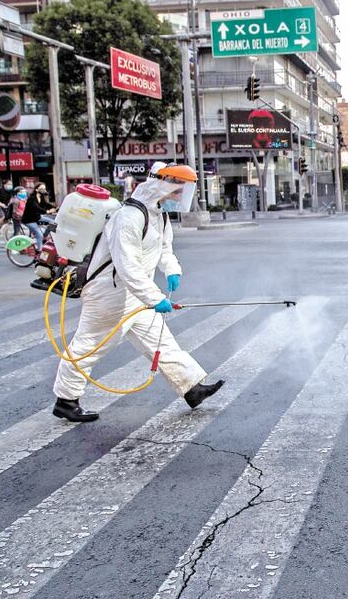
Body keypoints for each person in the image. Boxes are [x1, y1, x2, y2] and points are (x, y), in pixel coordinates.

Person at [51, 163, 224, 422]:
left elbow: (164, 248)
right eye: (177, 191)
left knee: (161, 341)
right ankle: (66, 400)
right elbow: (127, 267)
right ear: (161, 185)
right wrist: (154, 298)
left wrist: (171, 269)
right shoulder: (129, 217)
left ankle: (192, 388)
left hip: (136, 293)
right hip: (108, 293)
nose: (179, 197)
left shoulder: (158, 214)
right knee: (91, 344)